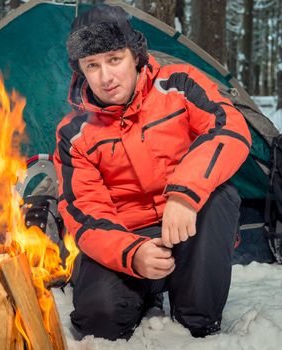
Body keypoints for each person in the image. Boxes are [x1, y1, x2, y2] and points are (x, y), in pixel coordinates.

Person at [54, 4, 251, 341]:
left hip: (189, 225)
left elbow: (230, 128)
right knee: (99, 320)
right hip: (126, 237)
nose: (106, 77)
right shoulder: (73, 133)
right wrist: (132, 253)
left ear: (134, 55)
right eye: (93, 65)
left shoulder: (180, 84)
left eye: (114, 59)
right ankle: (145, 288)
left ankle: (197, 318)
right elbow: (84, 212)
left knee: (221, 195)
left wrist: (185, 194)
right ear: (81, 71)